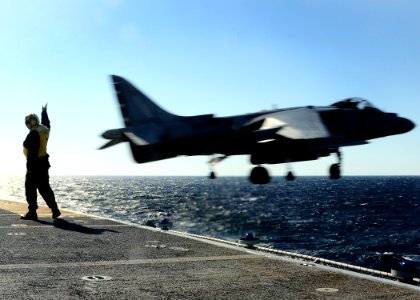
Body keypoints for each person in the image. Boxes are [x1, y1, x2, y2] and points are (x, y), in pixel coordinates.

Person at [21, 104, 61, 220]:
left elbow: (32, 152)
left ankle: (32, 212)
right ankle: (55, 209)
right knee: (44, 188)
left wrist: (29, 168)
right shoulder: (44, 129)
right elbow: (47, 123)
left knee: (30, 187)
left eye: (28, 122)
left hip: (35, 164)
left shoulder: (33, 133)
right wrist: (44, 112)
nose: (28, 124)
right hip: (44, 163)